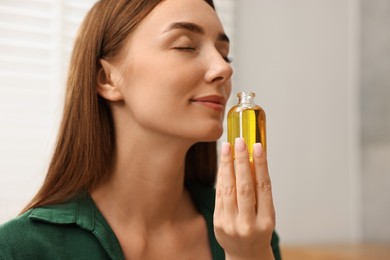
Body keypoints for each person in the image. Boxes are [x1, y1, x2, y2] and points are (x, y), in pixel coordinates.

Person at [0, 0, 281, 259]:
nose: (223, 68)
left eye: (225, 54)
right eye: (185, 45)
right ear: (108, 79)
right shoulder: (20, 248)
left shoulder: (246, 233)